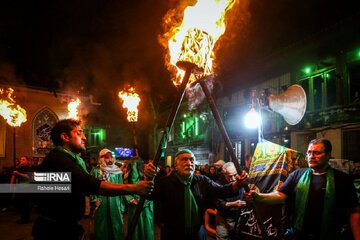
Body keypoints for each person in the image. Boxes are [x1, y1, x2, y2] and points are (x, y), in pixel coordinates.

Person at [31, 119, 153, 240]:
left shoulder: (68, 159)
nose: (84, 137)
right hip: (55, 232)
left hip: (64, 227)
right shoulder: (59, 160)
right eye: (79, 133)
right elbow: (91, 185)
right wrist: (135, 188)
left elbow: (67, 187)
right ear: (65, 137)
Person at [244, 138, 360, 240]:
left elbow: (354, 212)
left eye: (317, 153)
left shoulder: (342, 179)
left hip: (331, 236)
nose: (311, 156)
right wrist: (257, 196)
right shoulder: (297, 175)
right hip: (298, 235)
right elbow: (280, 196)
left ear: (328, 155)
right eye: (309, 152)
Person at [145, 149, 248, 240]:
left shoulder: (201, 181)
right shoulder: (165, 183)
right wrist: (148, 177)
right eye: (184, 160)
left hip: (197, 233)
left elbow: (221, 191)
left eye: (192, 160)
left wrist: (238, 184)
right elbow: (148, 193)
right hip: (172, 234)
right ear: (175, 165)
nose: (189, 163)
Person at [90, 148, 125, 240]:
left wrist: (122, 206)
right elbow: (91, 188)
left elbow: (121, 189)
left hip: (115, 202)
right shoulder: (96, 171)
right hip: (101, 203)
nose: (110, 160)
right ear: (101, 158)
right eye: (107, 158)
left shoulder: (117, 172)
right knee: (102, 224)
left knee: (116, 223)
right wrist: (94, 199)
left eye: (111, 157)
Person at [124, 156, 154, 240]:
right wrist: (131, 199)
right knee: (135, 227)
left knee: (146, 225)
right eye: (132, 164)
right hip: (133, 205)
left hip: (146, 205)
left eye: (136, 164)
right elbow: (125, 187)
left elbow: (152, 189)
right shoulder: (126, 174)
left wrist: (145, 202)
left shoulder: (147, 174)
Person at [215, 162, 246, 240]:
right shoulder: (218, 184)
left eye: (235, 175)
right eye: (230, 176)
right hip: (223, 219)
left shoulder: (241, 182)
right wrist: (234, 204)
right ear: (225, 175)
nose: (233, 178)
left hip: (238, 217)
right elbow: (218, 203)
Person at [11, 155, 32, 224]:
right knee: (21, 203)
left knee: (24, 203)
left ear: (27, 161)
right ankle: (23, 218)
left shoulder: (27, 168)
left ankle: (25, 219)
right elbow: (17, 178)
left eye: (23, 159)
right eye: (21, 159)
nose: (21, 160)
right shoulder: (21, 168)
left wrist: (18, 173)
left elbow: (27, 176)